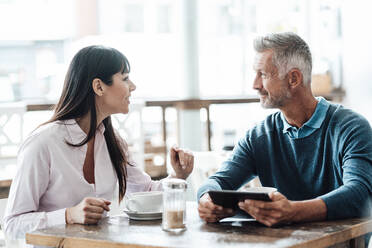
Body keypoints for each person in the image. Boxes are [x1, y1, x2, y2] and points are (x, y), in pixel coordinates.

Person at [3, 45, 194, 239]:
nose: (133, 86)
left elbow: (146, 191)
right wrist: (68, 215)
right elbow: (12, 224)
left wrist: (178, 175)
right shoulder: (42, 144)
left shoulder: (113, 141)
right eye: (125, 78)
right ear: (99, 87)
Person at [197, 33, 372, 228]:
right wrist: (206, 199)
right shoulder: (259, 136)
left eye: (262, 74)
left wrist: (293, 212)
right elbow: (218, 181)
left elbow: (360, 193)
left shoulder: (351, 127)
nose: (255, 85)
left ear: (294, 79)